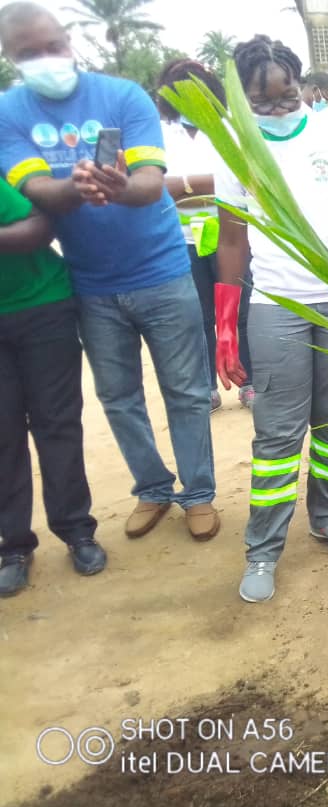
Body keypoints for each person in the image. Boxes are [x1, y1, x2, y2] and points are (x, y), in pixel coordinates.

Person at [0, 2, 219, 542]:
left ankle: (198, 494)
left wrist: (118, 186)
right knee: (118, 397)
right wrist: (80, 187)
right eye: (28, 54)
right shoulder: (10, 112)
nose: (44, 60)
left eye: (51, 47)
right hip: (91, 283)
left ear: (68, 42)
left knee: (187, 392)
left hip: (163, 270)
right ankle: (153, 488)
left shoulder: (122, 96)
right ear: (10, 58)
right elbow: (34, 191)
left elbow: (148, 181)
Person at [215, 35, 328, 603]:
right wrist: (225, 323)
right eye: (264, 104)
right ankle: (263, 549)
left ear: (300, 84)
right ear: (245, 100)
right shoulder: (235, 143)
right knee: (278, 434)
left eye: (287, 98)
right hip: (277, 304)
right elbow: (232, 238)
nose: (279, 111)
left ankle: (327, 514)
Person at [0, 177, 105, 596]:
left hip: (40, 306)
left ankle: (77, 530)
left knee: (56, 424)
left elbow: (40, 228)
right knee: (3, 434)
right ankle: (14, 546)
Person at [156, 59, 228, 412]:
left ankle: (249, 382)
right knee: (197, 314)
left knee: (238, 307)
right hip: (182, 236)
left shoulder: (225, 127)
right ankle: (206, 387)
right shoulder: (159, 132)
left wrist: (182, 185)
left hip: (230, 232)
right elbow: (155, 185)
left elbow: (240, 181)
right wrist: (204, 184)